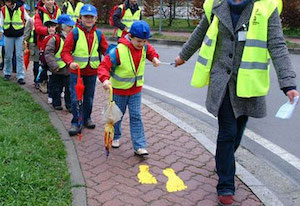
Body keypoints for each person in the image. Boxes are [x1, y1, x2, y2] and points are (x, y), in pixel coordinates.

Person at [174, 0, 299, 205]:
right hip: (222, 79)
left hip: (248, 82)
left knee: (238, 129)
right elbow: (200, 32)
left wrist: (288, 84)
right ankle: (225, 185)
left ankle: (224, 160)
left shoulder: (266, 7)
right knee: (228, 131)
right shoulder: (215, 4)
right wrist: (183, 56)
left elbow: (277, 44)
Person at [98, 20, 160, 156]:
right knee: (117, 117)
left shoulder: (144, 46)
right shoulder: (119, 51)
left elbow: (151, 51)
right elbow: (104, 66)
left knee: (136, 116)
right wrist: (105, 79)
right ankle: (115, 136)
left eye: (144, 41)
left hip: (135, 91)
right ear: (130, 37)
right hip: (119, 90)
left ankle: (140, 146)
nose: (142, 44)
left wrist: (155, 58)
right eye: (139, 41)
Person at [61, 4, 108, 136]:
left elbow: (106, 50)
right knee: (76, 98)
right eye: (86, 16)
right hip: (77, 73)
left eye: (91, 17)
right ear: (80, 18)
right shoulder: (74, 33)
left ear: (96, 18)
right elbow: (65, 52)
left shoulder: (98, 34)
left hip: (92, 72)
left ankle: (87, 118)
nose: (88, 19)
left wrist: (117, 56)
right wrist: (70, 62)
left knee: (89, 98)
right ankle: (76, 122)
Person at [44, 15, 74, 112]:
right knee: (56, 88)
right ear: (62, 26)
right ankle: (56, 103)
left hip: (68, 69)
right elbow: (48, 53)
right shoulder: (54, 39)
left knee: (69, 89)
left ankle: (69, 105)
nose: (72, 28)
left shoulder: (72, 38)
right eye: (69, 26)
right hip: (57, 69)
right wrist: (54, 66)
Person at [0, 0, 30, 84]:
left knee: (19, 55)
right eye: (6, 2)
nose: (7, 4)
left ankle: (20, 76)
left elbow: (28, 19)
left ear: (13, 2)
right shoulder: (3, 9)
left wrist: (26, 31)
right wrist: (2, 31)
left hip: (19, 35)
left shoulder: (21, 8)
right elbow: (1, 22)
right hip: (8, 35)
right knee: (7, 55)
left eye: (8, 2)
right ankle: (7, 73)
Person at [34, 0, 61, 94]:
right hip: (43, 42)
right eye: (47, 0)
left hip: (57, 42)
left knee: (54, 62)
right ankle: (41, 82)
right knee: (43, 64)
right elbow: (37, 28)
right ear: (43, 1)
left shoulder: (59, 10)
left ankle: (53, 84)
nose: (50, 2)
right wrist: (51, 30)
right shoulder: (39, 12)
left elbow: (62, 23)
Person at [24, 2, 39, 88]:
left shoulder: (45, 19)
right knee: (36, 65)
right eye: (36, 9)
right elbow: (26, 34)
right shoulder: (31, 20)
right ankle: (36, 81)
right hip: (34, 46)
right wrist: (25, 47)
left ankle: (42, 81)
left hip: (43, 46)